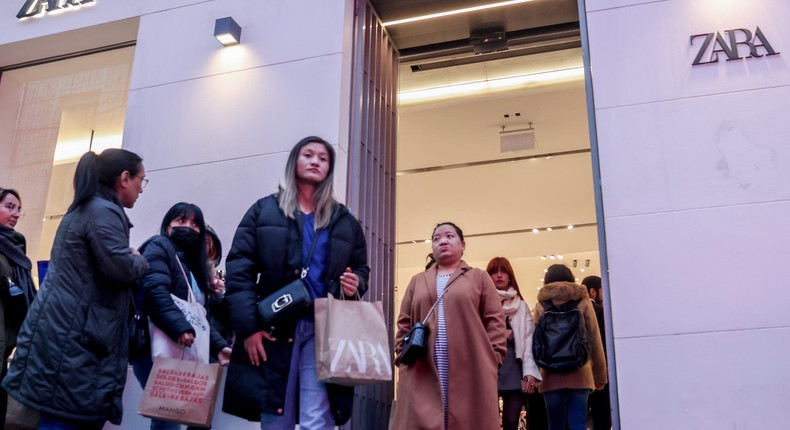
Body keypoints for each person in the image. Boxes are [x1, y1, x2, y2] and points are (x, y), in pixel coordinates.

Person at [223, 136, 370, 429]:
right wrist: (249, 327)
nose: (315, 161)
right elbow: (239, 272)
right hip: (275, 327)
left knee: (319, 418)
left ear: (329, 169)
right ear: (295, 161)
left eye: (323, 158)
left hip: (324, 329)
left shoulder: (344, 221)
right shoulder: (264, 210)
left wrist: (356, 283)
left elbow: (361, 268)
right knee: (277, 416)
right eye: (308, 155)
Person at [2, 149, 149, 430]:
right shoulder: (103, 211)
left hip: (67, 337)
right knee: (64, 418)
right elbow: (120, 267)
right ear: (124, 178)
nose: (142, 189)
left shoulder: (88, 207)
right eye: (141, 179)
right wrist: (140, 259)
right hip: (76, 343)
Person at [391, 222, 506, 430]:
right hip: (421, 366)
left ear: (463, 245)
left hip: (470, 367)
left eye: (449, 236)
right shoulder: (417, 281)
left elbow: (495, 320)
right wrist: (402, 356)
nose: (443, 241)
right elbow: (404, 322)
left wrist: (493, 357)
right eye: (436, 238)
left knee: (467, 419)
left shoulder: (479, 277)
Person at [133, 202, 233, 430]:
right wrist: (179, 328)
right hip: (156, 348)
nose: (189, 227)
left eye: (195, 224)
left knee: (191, 417)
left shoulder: (191, 266)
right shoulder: (159, 247)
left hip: (182, 349)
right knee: (167, 418)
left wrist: (218, 346)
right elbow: (154, 291)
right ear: (167, 226)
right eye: (181, 221)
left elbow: (198, 317)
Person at [534, 264, 607, 430]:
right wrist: (600, 375)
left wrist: (534, 375)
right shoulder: (583, 301)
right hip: (580, 373)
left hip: (550, 375)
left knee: (555, 424)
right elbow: (595, 339)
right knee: (578, 422)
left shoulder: (541, 305)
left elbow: (535, 343)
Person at [486, 257, 541, 430]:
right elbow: (474, 336)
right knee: (487, 422)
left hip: (514, 370)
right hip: (488, 369)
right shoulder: (480, 304)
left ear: (510, 276)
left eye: (504, 272)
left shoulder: (521, 306)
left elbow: (529, 340)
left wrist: (530, 373)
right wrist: (502, 333)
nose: (499, 276)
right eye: (494, 272)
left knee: (512, 421)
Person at [0, 188, 37, 430]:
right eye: (9, 207)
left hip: (7, 342)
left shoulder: (13, 247)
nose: (15, 213)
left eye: (18, 209)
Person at [581, 275, 610, 430]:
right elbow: (603, 346)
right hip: (599, 375)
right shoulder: (601, 312)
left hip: (578, 374)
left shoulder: (574, 311)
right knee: (602, 418)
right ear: (592, 292)